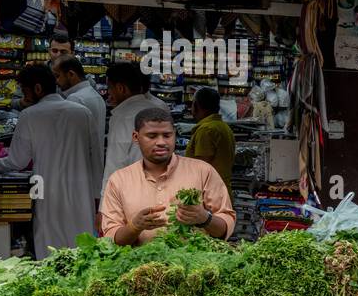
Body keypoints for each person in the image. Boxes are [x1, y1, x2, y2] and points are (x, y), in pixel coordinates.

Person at [0, 63, 94, 258]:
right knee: (82, 245)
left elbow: (17, 162)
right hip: (82, 188)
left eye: (25, 91)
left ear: (37, 88)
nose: (24, 97)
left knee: (50, 247)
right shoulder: (83, 113)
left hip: (45, 188)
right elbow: (92, 153)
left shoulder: (30, 115)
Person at [101, 109, 235, 245]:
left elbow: (225, 226)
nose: (161, 142)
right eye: (152, 136)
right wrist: (134, 227)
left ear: (174, 135)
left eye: (167, 135)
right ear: (136, 137)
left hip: (195, 263)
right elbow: (111, 238)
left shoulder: (203, 171)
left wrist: (204, 218)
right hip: (138, 264)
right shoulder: (119, 180)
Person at [103, 61, 169, 190]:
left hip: (130, 192)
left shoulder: (123, 117)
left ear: (121, 88)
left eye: (109, 88)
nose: (108, 93)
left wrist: (105, 204)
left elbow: (115, 163)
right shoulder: (157, 110)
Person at [52, 54, 105, 198]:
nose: (57, 82)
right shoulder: (94, 95)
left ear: (71, 74)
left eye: (58, 76)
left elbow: (69, 144)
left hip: (77, 175)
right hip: (92, 173)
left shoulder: (75, 99)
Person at [185, 87, 236, 197]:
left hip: (210, 194)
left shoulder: (206, 130)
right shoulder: (223, 127)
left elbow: (201, 168)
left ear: (197, 106)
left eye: (193, 104)